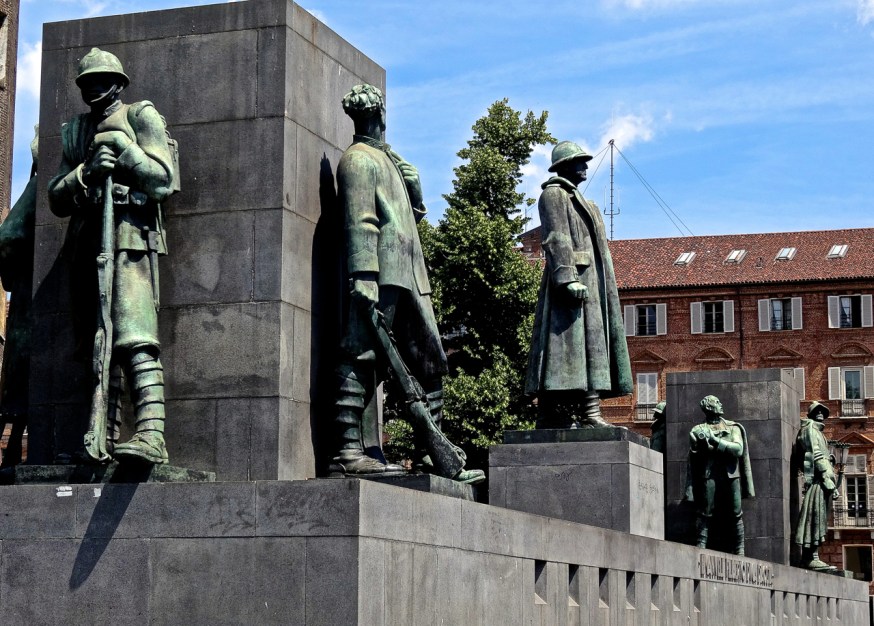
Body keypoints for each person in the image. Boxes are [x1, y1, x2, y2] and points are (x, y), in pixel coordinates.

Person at [329, 83, 483, 484]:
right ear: (381, 115)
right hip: (382, 273)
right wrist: (364, 275)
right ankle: (348, 450)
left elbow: (401, 219)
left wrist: (414, 194)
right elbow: (361, 221)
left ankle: (433, 453)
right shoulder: (358, 160)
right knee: (361, 354)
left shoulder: (388, 161)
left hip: (408, 273)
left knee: (429, 362)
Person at [48, 48, 178, 464]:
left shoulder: (140, 116)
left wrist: (126, 150)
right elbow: (55, 197)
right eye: (86, 82)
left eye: (101, 80)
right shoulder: (75, 131)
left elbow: (163, 180)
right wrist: (85, 173)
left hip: (130, 241)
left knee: (135, 340)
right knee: (96, 345)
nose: (92, 87)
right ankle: (99, 438)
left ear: (119, 84)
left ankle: (152, 435)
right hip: (88, 246)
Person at [525, 141, 632, 428]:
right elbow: (555, 238)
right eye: (579, 161)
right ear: (564, 165)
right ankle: (558, 413)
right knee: (563, 350)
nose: (585, 166)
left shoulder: (584, 202)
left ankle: (586, 413)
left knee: (591, 347)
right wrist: (567, 278)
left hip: (592, 282)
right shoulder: (554, 195)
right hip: (572, 281)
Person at [0, 126, 38, 468]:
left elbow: (8, 238)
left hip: (29, 301)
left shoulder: (38, 186)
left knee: (18, 388)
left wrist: (10, 275)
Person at [685, 395, 755, 555]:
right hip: (709, 474)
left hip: (731, 475)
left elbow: (738, 449)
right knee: (705, 512)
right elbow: (695, 455)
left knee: (736, 512)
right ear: (709, 408)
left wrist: (715, 441)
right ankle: (701, 546)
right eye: (717, 402)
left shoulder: (733, 427)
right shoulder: (698, 429)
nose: (721, 404)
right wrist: (697, 444)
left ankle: (740, 549)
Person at [793, 401, 838, 571]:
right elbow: (814, 453)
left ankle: (811, 557)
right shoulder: (810, 429)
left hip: (823, 482)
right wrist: (826, 476)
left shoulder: (819, 433)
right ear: (810, 414)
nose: (820, 413)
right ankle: (810, 558)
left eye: (823, 411)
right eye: (816, 410)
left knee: (819, 520)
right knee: (814, 519)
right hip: (818, 482)